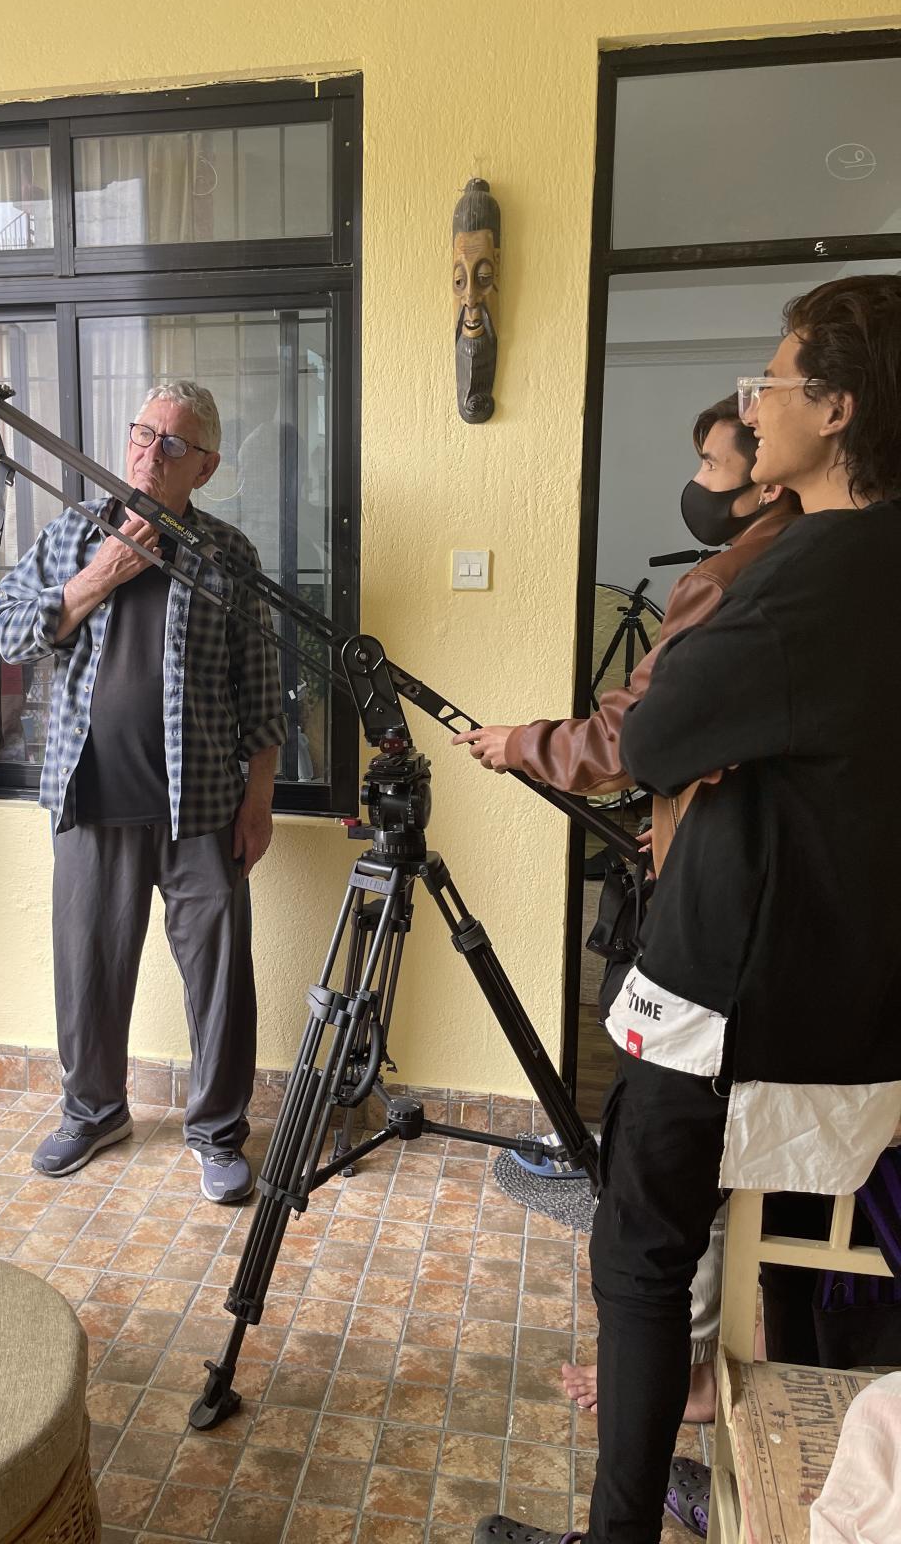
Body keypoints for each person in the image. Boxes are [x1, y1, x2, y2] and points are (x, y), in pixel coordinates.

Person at [472, 272, 901, 1544]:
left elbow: (651, 736)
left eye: (773, 382)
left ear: (836, 407)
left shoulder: (814, 570)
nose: (752, 407)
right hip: (855, 989)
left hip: (739, 996)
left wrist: (537, 739)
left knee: (639, 1253)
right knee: (731, 1252)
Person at [454, 393, 799, 1428]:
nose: (697, 482)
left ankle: (676, 1376)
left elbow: (628, 738)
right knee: (720, 1155)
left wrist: (518, 743)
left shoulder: (732, 582)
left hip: (728, 942)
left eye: (712, 463)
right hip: (756, 887)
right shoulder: (804, 562)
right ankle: (699, 1355)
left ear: (766, 478)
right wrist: (684, 816)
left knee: (678, 1160)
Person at [0, 382, 285, 1202]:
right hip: (89, 799)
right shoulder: (74, 532)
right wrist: (101, 574)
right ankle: (93, 1111)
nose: (152, 452)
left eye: (175, 443)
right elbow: (10, 632)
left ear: (207, 467)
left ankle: (218, 1132)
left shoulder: (228, 555)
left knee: (220, 980)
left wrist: (259, 802)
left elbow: (260, 689)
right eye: (143, 434)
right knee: (86, 970)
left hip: (204, 805)